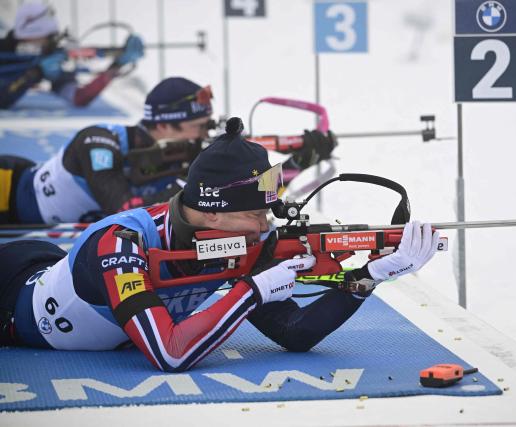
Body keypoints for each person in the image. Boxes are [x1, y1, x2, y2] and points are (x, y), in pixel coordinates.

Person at [0, 118, 439, 372]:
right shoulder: (122, 243)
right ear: (211, 212)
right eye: (253, 214)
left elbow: (295, 332)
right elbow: (169, 353)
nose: (263, 227)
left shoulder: (238, 238)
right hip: (10, 293)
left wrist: (367, 277)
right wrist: (251, 291)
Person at [0, 76, 336, 225]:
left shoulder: (183, 158)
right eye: (201, 127)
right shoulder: (98, 140)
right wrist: (185, 189)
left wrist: (298, 161)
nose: (208, 134)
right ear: (164, 126)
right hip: (9, 191)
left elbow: (247, 198)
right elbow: (123, 210)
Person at [0, 3, 144, 109]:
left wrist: (116, 66)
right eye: (43, 39)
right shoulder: (7, 56)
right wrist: (34, 74)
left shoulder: (50, 59)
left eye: (51, 39)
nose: (46, 46)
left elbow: (79, 98)